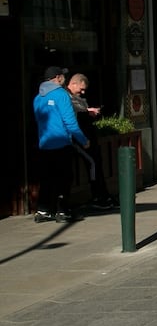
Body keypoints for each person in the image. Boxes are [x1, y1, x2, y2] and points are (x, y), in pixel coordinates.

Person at [33, 66, 90, 223]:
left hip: (44, 144)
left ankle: (43, 210)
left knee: (46, 178)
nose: (64, 79)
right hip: (61, 143)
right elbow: (70, 122)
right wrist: (84, 140)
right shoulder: (61, 95)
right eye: (63, 77)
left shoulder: (38, 97)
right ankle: (62, 211)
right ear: (57, 78)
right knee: (64, 178)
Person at [66, 73, 114, 209]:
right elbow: (71, 117)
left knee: (96, 162)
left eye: (84, 90)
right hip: (77, 137)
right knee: (93, 163)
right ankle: (98, 195)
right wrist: (87, 111)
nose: (82, 92)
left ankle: (101, 195)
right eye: (81, 89)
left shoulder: (79, 98)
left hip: (86, 136)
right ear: (73, 83)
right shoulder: (66, 97)